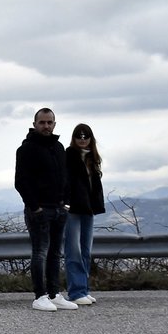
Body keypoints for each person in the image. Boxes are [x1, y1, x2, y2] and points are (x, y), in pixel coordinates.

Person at [14, 108, 77, 311]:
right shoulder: (26, 149)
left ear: (54, 124)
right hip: (39, 210)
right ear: (34, 124)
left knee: (55, 253)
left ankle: (54, 294)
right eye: (42, 122)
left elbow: (66, 177)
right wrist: (36, 208)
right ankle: (40, 296)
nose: (46, 126)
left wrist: (66, 203)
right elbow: (21, 182)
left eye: (50, 122)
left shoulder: (58, 147)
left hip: (58, 209)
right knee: (40, 253)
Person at [63, 123, 105, 305]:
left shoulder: (92, 159)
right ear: (73, 138)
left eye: (85, 136)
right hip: (73, 209)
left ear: (90, 138)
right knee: (74, 251)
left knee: (86, 250)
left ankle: (84, 289)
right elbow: (65, 182)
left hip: (88, 209)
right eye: (78, 136)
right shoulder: (69, 156)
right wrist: (65, 202)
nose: (82, 139)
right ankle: (76, 292)